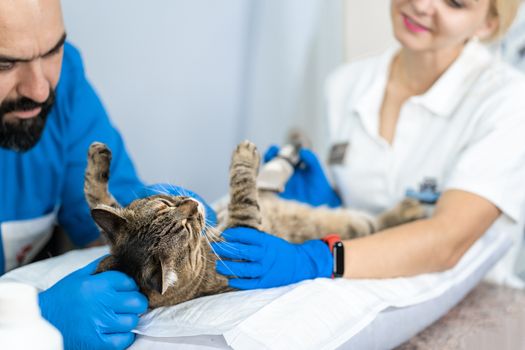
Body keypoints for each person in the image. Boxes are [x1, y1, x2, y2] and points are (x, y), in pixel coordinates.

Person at [213, 0, 525, 290]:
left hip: (470, 300)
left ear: (487, 24)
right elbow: (359, 211)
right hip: (356, 286)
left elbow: (447, 241)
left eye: (455, 2)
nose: (420, 5)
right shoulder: (345, 84)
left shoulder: (507, 102)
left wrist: (317, 258)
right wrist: (326, 204)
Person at [0, 0, 215, 349]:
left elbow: (113, 218)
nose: (39, 90)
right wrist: (28, 323)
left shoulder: (64, 83)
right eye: (5, 63)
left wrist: (155, 224)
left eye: (53, 50)